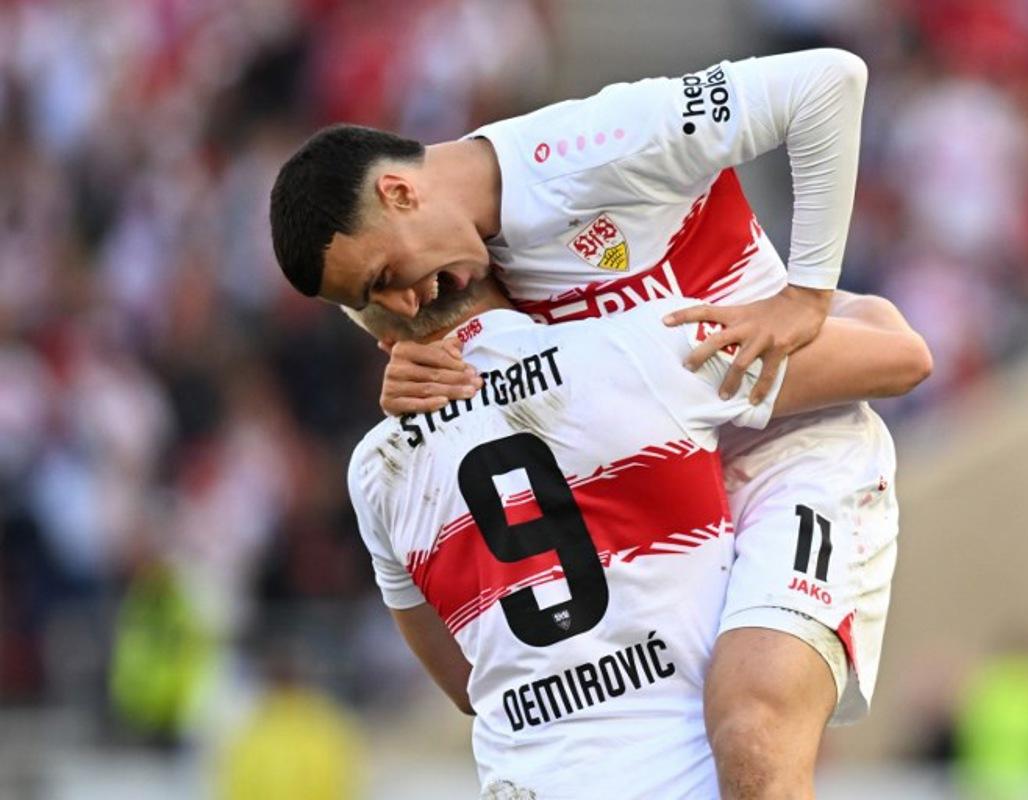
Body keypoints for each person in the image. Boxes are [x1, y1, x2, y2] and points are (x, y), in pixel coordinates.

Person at [272, 49, 894, 796]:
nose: (406, 303)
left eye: (384, 280)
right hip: (685, 448)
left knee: (750, 725)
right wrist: (414, 354)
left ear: (400, 191)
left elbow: (829, 81)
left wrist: (809, 296)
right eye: (383, 306)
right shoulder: (467, 267)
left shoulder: (593, 145)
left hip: (797, 440)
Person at [343, 276, 930, 798]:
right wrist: (779, 288)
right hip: (688, 776)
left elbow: (465, 685)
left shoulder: (374, 469)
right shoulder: (638, 344)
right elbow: (901, 357)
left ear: (385, 340)